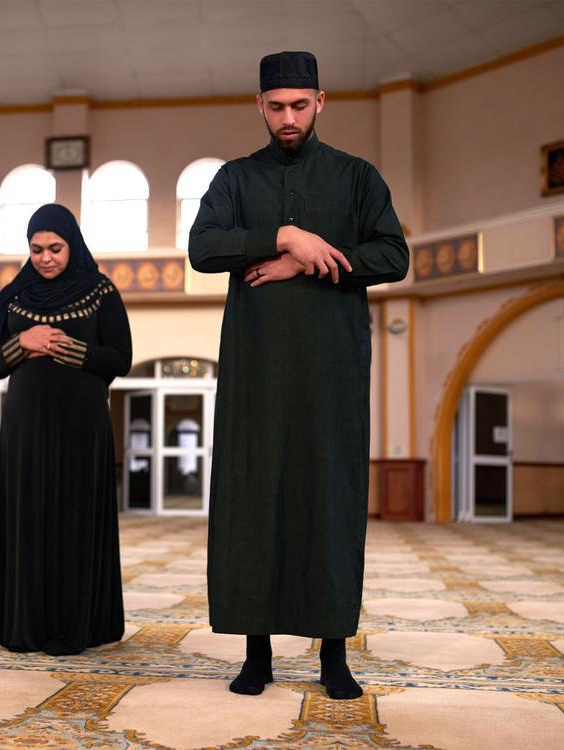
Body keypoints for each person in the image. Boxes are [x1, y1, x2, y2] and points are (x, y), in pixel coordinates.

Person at [188, 51, 409, 699]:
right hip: (256, 372)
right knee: (255, 500)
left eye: (300, 105)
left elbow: (393, 252)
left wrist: (307, 260)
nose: (288, 117)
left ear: (321, 102)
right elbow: (203, 248)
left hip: (331, 371)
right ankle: (256, 654)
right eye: (277, 106)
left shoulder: (356, 177)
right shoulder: (235, 179)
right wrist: (282, 235)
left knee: (328, 501)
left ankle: (333, 653)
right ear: (260, 106)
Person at [0, 203, 131, 655]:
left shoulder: (100, 291)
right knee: (30, 517)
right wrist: (22, 342)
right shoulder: (13, 295)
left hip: (81, 426)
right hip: (26, 429)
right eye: (37, 249)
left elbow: (119, 359)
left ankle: (74, 627)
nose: (46, 257)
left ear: (73, 245)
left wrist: (70, 350)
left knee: (74, 517)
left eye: (56, 248)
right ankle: (26, 626)